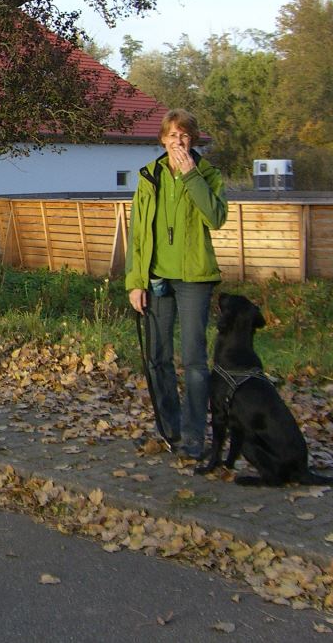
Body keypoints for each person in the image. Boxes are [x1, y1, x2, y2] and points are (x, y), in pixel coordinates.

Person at [126, 109, 228, 460]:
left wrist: (190, 175)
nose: (178, 142)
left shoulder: (207, 174)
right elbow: (138, 233)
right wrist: (135, 282)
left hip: (195, 278)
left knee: (195, 360)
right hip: (156, 277)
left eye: (184, 135)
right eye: (172, 135)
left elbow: (216, 217)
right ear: (162, 139)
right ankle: (169, 430)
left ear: (192, 139)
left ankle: (194, 435)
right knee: (157, 358)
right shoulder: (149, 176)